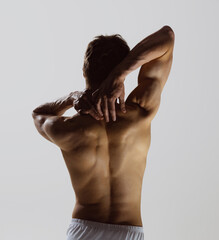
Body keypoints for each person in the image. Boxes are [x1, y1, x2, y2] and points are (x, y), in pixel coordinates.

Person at [32, 25, 175, 240]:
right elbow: (167, 37)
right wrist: (120, 73)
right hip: (129, 232)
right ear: (126, 71)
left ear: (84, 71)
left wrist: (72, 97)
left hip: (82, 232)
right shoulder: (140, 114)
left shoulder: (66, 128)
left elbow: (37, 115)